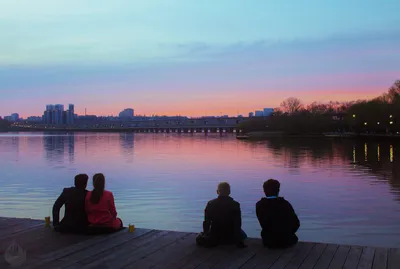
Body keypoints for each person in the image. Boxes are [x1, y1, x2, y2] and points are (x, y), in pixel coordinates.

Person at [196, 182, 247, 248]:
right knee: (244, 235)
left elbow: (206, 222)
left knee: (199, 236)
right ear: (229, 192)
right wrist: (239, 241)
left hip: (215, 235)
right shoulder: (235, 204)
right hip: (230, 236)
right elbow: (237, 223)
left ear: (217, 191)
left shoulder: (211, 203)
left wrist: (205, 234)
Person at [256, 179, 300, 248]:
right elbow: (296, 223)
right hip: (287, 240)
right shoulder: (285, 204)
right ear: (278, 190)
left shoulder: (259, 205)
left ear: (264, 191)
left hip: (268, 241)